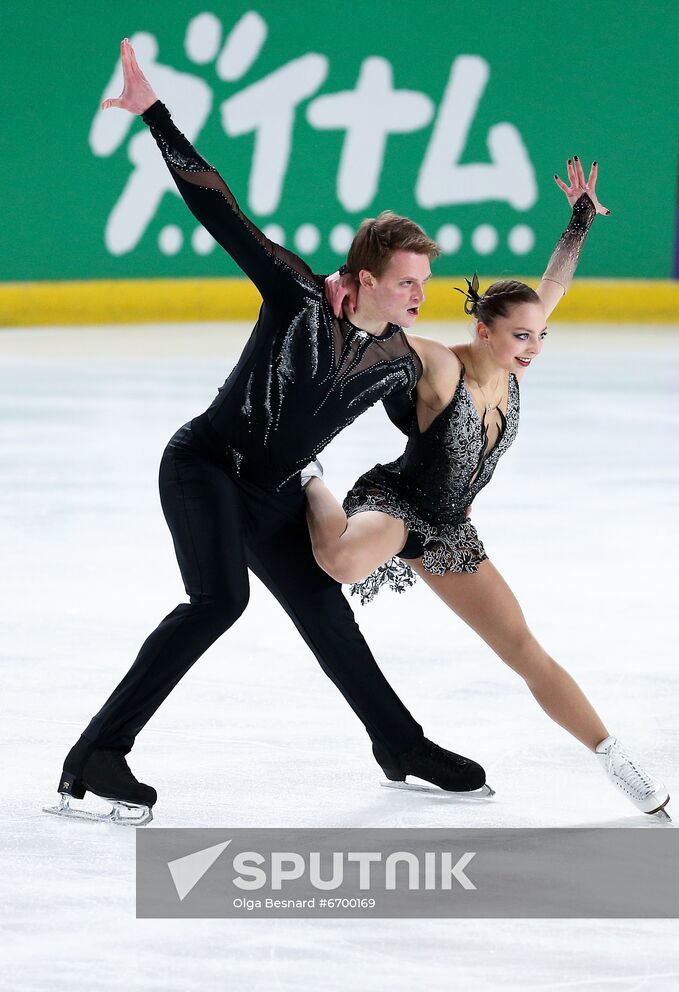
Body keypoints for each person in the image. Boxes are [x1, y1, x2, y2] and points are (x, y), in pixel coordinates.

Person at [46, 39, 490, 826]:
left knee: (325, 611)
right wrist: (156, 114)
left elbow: (424, 436)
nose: (419, 295)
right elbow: (221, 209)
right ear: (363, 280)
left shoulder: (396, 362)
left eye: (424, 282)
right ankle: (96, 754)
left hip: (277, 489)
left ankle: (400, 744)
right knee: (218, 600)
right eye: (406, 283)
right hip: (207, 464)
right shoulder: (296, 295)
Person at [304, 161, 670, 819]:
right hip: (396, 503)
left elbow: (553, 281)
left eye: (539, 335)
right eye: (520, 335)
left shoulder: (512, 355)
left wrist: (579, 219)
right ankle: (308, 478)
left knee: (524, 650)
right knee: (344, 560)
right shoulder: (443, 367)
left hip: (448, 529)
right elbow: (386, 335)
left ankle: (616, 761)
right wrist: (345, 296)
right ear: (484, 331)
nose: (532, 346)